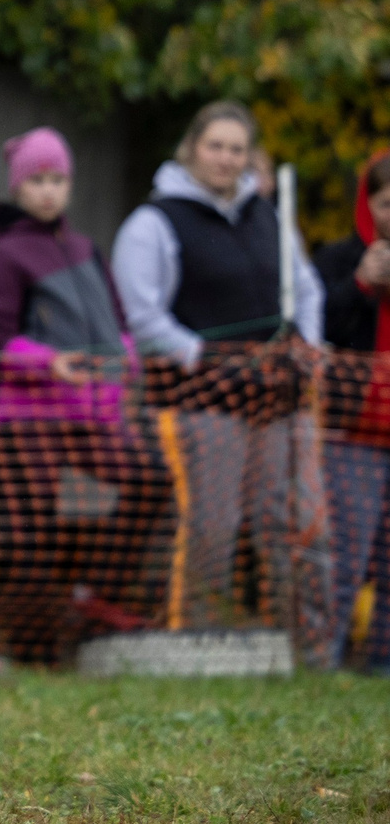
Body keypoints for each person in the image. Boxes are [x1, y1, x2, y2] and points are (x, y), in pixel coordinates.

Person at [112, 101, 324, 634]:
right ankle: (194, 635)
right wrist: (201, 357)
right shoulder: (154, 223)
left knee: (284, 519)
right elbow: (143, 316)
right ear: (192, 149)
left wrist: (308, 346)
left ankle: (290, 640)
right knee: (212, 521)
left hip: (277, 398)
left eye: (237, 149)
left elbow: (307, 289)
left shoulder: (269, 217)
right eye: (216, 146)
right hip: (199, 403)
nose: (226, 159)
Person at [0, 128, 168, 659]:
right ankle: (32, 648)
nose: (48, 191)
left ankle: (98, 596)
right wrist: (48, 363)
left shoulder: (85, 249)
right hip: (28, 417)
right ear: (17, 187)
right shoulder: (2, 255)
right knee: (33, 528)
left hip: (92, 415)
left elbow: (118, 324)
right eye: (36, 180)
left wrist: (126, 359)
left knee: (151, 480)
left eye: (57, 179)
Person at [313, 153, 390, 670]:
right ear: (367, 204)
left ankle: (382, 660)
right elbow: (319, 324)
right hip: (352, 432)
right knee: (347, 552)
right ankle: (325, 656)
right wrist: (362, 284)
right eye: (386, 204)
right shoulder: (338, 258)